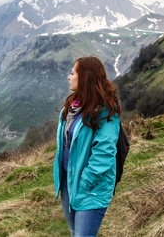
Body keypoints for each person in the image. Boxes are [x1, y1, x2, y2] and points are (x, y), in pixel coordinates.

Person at [53, 56, 122, 237]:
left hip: (90, 186)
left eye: (72, 73)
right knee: (76, 232)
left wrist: (86, 180)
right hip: (68, 182)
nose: (69, 77)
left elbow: (105, 151)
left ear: (84, 77)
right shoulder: (71, 107)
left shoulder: (106, 110)